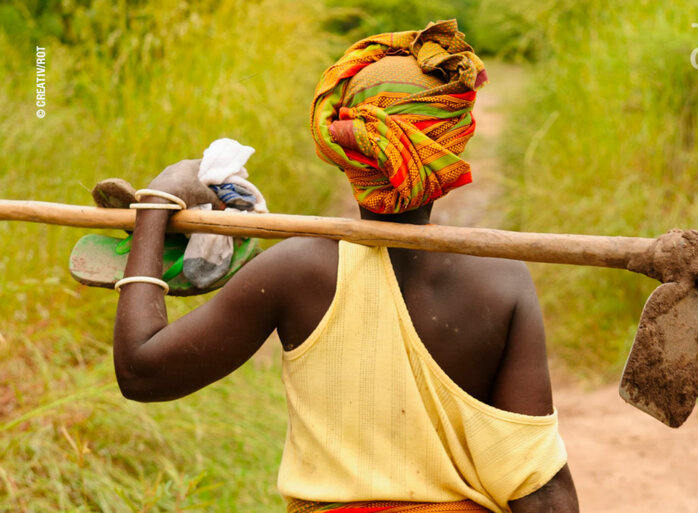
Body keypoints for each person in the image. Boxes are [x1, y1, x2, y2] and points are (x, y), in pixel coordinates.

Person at [112, 20, 579, 513]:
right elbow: (542, 490)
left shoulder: (295, 269)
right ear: (451, 147)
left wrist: (155, 206)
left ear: (343, 150)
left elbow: (143, 372)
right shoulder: (502, 283)